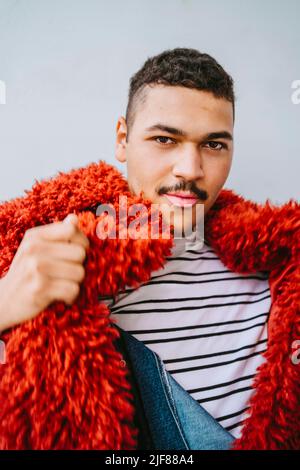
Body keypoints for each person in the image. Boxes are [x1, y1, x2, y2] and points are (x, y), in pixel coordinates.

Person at [0, 48, 298, 450]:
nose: (190, 169)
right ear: (123, 139)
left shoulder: (277, 264)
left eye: (213, 145)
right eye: (164, 139)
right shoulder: (51, 255)